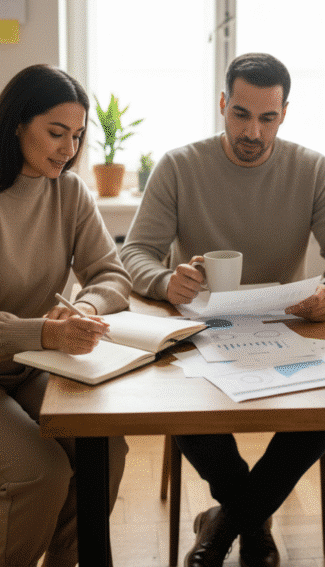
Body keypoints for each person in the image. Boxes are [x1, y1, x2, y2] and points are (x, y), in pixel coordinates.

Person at [120, 52, 325, 567]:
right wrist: (168, 281)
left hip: (286, 327)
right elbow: (134, 253)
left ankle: (225, 523)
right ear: (221, 105)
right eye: (241, 114)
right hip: (198, 329)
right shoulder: (179, 165)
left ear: (284, 114)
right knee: (175, 405)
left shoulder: (312, 169)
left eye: (267, 117)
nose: (252, 131)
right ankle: (251, 521)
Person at [0, 64, 131, 567]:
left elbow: (113, 275)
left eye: (78, 135)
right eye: (56, 132)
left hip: (35, 366)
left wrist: (85, 309)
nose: (68, 149)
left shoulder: (69, 192)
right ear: (18, 124)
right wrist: (47, 332)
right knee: (40, 473)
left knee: (106, 451)